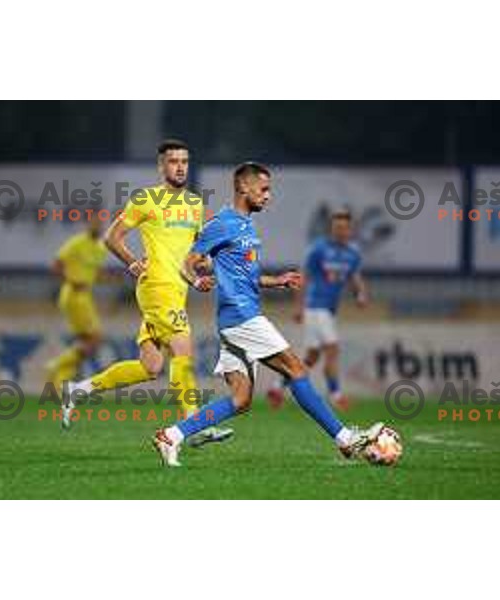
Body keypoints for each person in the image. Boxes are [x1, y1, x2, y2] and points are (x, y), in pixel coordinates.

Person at [152, 162, 383, 467]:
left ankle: (171, 435)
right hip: (242, 317)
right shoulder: (223, 223)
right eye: (263, 189)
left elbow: (244, 273)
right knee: (297, 369)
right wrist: (197, 280)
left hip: (237, 319)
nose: (268, 196)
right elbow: (189, 261)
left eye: (269, 190)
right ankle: (345, 438)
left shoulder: (247, 225)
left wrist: (277, 280)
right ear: (243, 188)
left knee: (241, 399)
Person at [63, 139, 232, 445]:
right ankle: (194, 427)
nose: (180, 167)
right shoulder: (146, 200)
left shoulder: (195, 205)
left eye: (184, 161)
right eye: (173, 161)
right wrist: (132, 262)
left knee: (150, 367)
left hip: (177, 289)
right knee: (183, 349)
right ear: (161, 166)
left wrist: (203, 268)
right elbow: (112, 238)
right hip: (156, 286)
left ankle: (79, 389)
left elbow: (196, 255)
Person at [268, 209, 368, 410]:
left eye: (344, 227)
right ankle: (336, 395)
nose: (340, 231)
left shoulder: (353, 253)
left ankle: (278, 387)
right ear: (332, 228)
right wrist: (299, 307)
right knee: (332, 349)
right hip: (315, 307)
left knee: (312, 356)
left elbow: (355, 277)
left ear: (350, 229)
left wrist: (361, 294)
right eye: (337, 227)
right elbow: (303, 277)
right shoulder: (319, 249)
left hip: (329, 310)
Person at [46, 218, 108, 391]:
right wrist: (71, 280)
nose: (97, 226)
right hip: (73, 294)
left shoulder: (100, 249)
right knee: (95, 339)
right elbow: (56, 265)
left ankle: (59, 383)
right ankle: (56, 365)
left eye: (100, 223)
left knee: (85, 342)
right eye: (94, 222)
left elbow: (96, 272)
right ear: (88, 224)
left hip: (85, 295)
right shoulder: (77, 243)